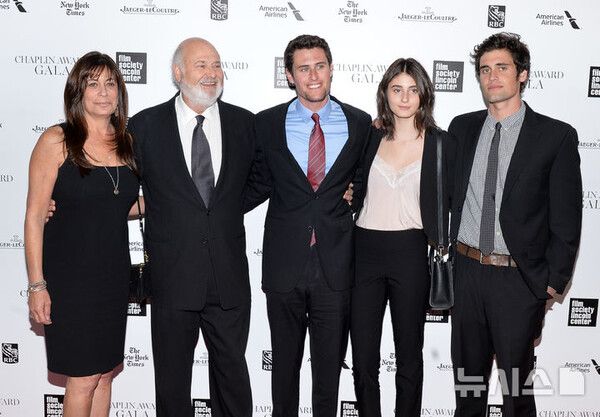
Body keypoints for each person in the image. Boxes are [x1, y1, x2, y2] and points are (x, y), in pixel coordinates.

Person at [449, 32, 582, 417]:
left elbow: (567, 220)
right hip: (467, 275)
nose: (492, 76)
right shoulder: (461, 128)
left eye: (502, 68)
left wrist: (550, 285)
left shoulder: (555, 136)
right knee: (468, 392)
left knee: (516, 394)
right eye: (484, 69)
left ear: (522, 74)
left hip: (518, 282)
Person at [245, 34, 371, 417]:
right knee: (284, 371)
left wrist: (355, 196)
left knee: (328, 377)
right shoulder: (266, 124)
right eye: (303, 68)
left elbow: (365, 182)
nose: (313, 76)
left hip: (336, 266)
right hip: (284, 265)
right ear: (289, 75)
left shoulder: (360, 123)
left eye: (320, 66)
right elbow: (254, 183)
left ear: (331, 69)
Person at [127, 38, 254, 417]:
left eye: (216, 65)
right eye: (201, 65)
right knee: (171, 385)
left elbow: (264, 178)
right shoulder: (145, 126)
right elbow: (117, 187)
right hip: (172, 277)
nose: (211, 73)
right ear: (177, 72)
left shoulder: (245, 124)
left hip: (228, 277)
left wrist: (223, 210)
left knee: (233, 382)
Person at [24, 51, 139, 417]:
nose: (103, 92)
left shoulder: (127, 143)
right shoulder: (56, 140)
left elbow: (118, 203)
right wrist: (37, 285)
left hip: (112, 278)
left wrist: (179, 199)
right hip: (70, 282)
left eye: (110, 84)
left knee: (104, 375)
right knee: (84, 378)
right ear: (78, 91)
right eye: (93, 84)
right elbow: (34, 217)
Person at [349, 58, 453, 417]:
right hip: (364, 251)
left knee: (409, 356)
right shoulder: (370, 136)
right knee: (363, 358)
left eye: (412, 89)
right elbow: (351, 184)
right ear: (385, 93)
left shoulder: (441, 143)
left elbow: (455, 200)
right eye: (397, 89)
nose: (405, 98)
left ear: (424, 94)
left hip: (411, 252)